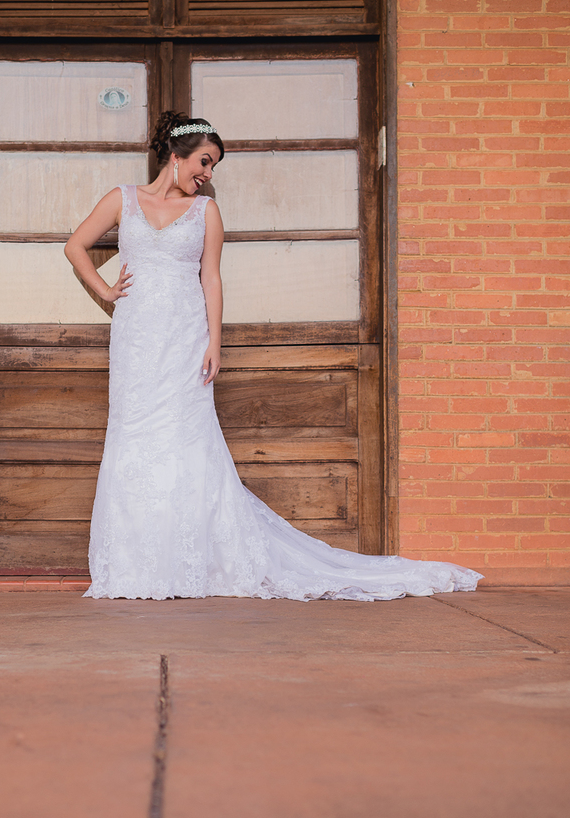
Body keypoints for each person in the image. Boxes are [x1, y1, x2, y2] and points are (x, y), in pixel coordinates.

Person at [64, 111, 482, 601]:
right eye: (205, 161)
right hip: (136, 341)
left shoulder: (206, 212)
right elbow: (75, 246)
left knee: (185, 441)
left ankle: (188, 563)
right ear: (176, 156)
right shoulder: (122, 199)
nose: (208, 174)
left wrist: (214, 342)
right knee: (134, 438)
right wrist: (107, 291)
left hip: (184, 339)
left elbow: (211, 278)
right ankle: (137, 565)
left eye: (214, 166)